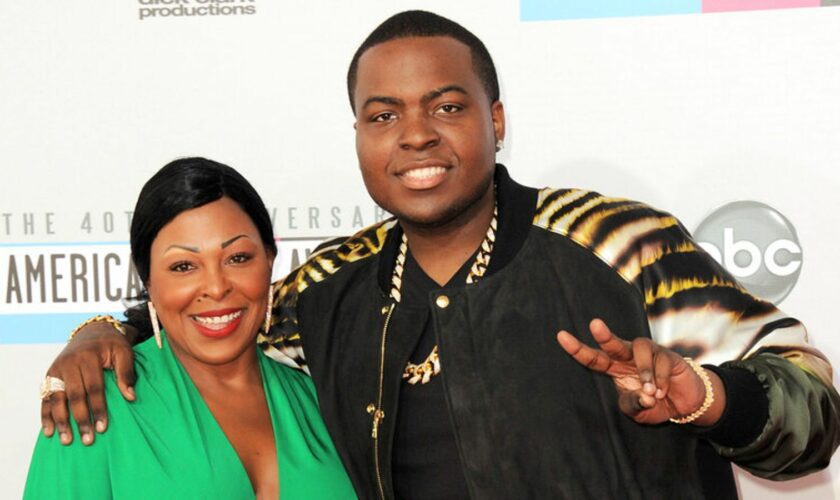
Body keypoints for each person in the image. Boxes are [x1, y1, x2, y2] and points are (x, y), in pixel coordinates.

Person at [40, 11, 839, 500]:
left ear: (496, 119)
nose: (415, 134)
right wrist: (103, 328)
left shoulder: (620, 243)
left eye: (446, 106)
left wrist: (704, 395)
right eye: (383, 115)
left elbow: (812, 410)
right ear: (358, 136)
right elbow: (214, 311)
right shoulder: (331, 289)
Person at [26, 158, 356, 499]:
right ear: (148, 281)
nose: (215, 287)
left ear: (270, 258)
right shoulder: (93, 401)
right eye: (184, 266)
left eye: (238, 258)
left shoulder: (323, 394)